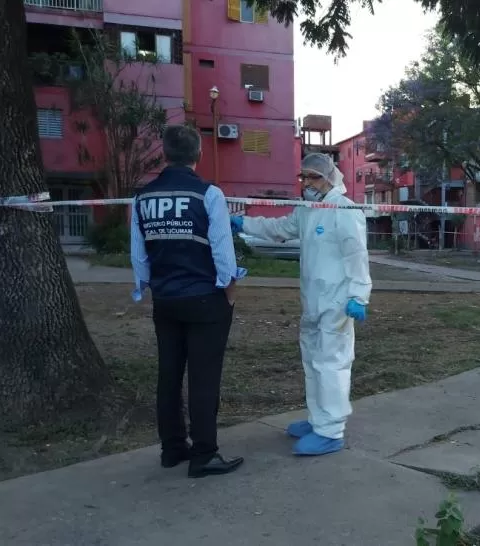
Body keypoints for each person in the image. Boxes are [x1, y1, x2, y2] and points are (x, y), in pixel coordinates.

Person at [230, 153, 372, 456]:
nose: (306, 183)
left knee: (331, 364)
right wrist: (245, 223)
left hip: (337, 302)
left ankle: (331, 431)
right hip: (312, 300)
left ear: (329, 177)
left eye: (313, 177)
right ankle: (318, 419)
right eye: (303, 177)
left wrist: (359, 296)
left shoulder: (344, 210)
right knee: (311, 360)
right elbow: (281, 228)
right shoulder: (308, 209)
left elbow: (356, 255)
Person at [130, 124, 247, 478]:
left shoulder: (143, 197)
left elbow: (139, 254)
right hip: (204, 298)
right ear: (197, 155)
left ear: (164, 154)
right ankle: (204, 455)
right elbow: (223, 252)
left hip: (165, 300)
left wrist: (146, 288)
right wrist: (229, 292)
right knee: (203, 378)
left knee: (168, 375)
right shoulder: (208, 194)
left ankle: (172, 448)